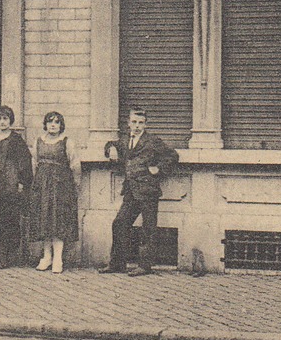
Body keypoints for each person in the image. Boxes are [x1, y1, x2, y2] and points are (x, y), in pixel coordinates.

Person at [99, 107, 179, 277]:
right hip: (131, 191)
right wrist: (110, 149)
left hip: (148, 190)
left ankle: (145, 265)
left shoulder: (152, 141)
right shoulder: (125, 140)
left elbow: (172, 156)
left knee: (148, 228)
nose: (137, 126)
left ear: (145, 124)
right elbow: (110, 144)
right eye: (134, 122)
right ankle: (117, 263)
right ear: (128, 123)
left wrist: (159, 169)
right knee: (119, 223)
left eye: (141, 123)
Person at [0, 106, 33, 269]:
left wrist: (22, 181)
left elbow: (24, 161)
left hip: (10, 182)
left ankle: (5, 257)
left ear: (10, 121)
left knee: (8, 219)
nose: (2, 122)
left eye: (5, 119)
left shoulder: (16, 139)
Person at [29, 111, 81, 274]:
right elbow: (34, 163)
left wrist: (74, 186)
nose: (53, 125)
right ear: (45, 124)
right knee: (44, 220)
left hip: (61, 186)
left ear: (61, 125)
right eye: (50, 122)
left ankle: (58, 259)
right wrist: (36, 183)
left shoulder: (67, 142)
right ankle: (46, 257)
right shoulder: (38, 141)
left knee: (58, 221)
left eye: (57, 122)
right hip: (42, 186)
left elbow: (75, 165)